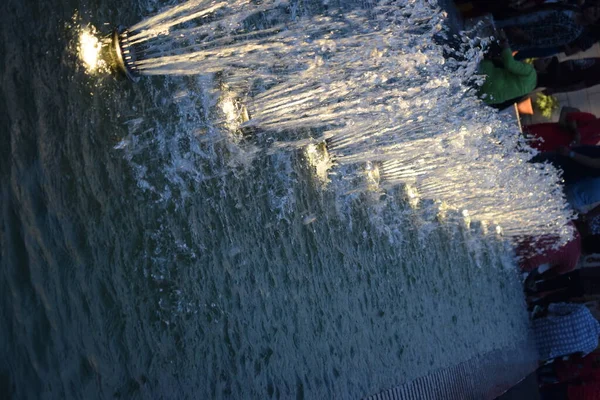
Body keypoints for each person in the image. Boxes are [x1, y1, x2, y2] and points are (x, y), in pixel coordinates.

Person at [494, 5, 600, 55]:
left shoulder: (573, 32)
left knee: (492, 43)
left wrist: (522, 35)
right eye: (594, 8)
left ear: (593, 22)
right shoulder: (574, 8)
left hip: (518, 34)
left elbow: (546, 42)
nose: (591, 10)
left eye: (594, 14)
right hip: (518, 19)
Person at [477, 32, 537, 105]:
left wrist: (505, 46)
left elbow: (510, 64)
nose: (542, 59)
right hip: (490, 98)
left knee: (484, 48)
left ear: (545, 70)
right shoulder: (531, 87)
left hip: (489, 79)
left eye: (546, 61)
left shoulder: (531, 72)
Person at [533, 302, 600, 361]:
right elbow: (578, 355)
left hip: (538, 328)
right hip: (543, 351)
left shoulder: (583, 310)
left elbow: (554, 307)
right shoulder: (593, 344)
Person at [523, 107, 600, 152]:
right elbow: (571, 116)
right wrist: (575, 130)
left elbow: (580, 147)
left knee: (528, 150)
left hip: (555, 146)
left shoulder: (596, 138)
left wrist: (576, 142)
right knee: (526, 136)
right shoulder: (591, 118)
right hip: (552, 132)